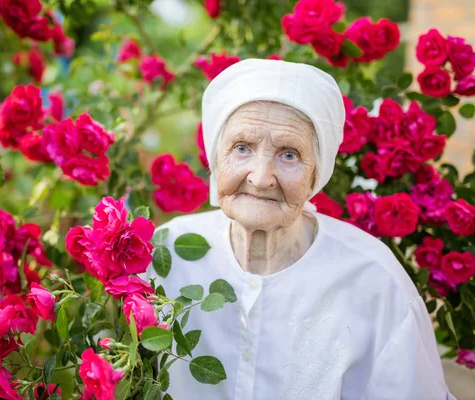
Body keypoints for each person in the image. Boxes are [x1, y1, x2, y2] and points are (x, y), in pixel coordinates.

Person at [147, 59, 456, 400]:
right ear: (215, 159)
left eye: (289, 154)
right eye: (241, 148)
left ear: (316, 173)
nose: (261, 177)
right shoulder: (168, 252)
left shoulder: (376, 282)